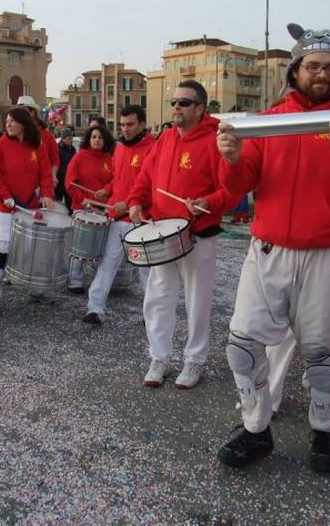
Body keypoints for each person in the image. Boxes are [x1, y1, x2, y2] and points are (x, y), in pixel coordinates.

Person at [215, 23, 330, 474]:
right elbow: (238, 186)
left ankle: (325, 430)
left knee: (322, 353)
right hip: (269, 251)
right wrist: (231, 158)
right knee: (242, 347)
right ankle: (256, 429)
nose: (322, 74)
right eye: (313, 66)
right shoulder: (270, 122)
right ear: (295, 71)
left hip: (327, 253)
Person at [128, 80, 238, 390]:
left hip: (199, 233)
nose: (176, 107)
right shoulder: (164, 139)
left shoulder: (216, 140)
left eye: (184, 103)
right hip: (163, 232)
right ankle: (159, 357)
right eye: (174, 102)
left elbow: (230, 190)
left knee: (197, 300)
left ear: (200, 108)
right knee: (158, 298)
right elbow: (145, 176)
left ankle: (194, 361)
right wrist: (137, 201)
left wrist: (208, 203)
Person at [83, 105, 155, 325]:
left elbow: (156, 185)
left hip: (140, 220)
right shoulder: (121, 148)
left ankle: (152, 314)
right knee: (107, 264)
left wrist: (135, 203)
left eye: (130, 124)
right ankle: (94, 309)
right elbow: (119, 178)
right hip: (117, 218)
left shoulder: (154, 148)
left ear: (142, 124)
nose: (125, 129)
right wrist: (107, 190)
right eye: (122, 125)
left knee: (146, 271)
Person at [0, 108, 54, 316]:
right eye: (7, 121)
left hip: (30, 207)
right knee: (5, 248)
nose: (8, 124)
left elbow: (45, 173)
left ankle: (37, 289)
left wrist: (47, 194)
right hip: (7, 207)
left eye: (13, 121)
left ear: (24, 124)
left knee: (34, 249)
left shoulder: (36, 146)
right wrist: (4, 195)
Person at [64, 122, 115, 293]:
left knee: (101, 247)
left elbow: (115, 180)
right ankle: (75, 280)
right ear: (89, 139)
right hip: (82, 207)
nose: (97, 140)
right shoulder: (80, 157)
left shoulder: (110, 159)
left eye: (100, 137)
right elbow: (70, 183)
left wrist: (107, 189)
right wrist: (83, 200)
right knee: (80, 247)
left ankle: (97, 280)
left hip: (102, 208)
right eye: (94, 137)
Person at [17, 96, 60, 188]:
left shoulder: (46, 135)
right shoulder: (15, 135)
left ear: (32, 113)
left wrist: (53, 175)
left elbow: (54, 159)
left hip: (42, 184)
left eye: (24, 112)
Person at [56, 128, 77, 213]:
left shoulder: (72, 149)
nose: (71, 140)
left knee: (70, 203)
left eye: (72, 138)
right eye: (69, 138)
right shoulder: (57, 149)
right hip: (59, 181)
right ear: (63, 139)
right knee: (57, 203)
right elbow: (55, 165)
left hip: (69, 181)